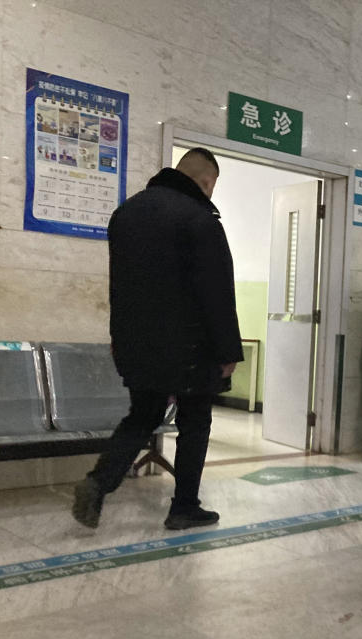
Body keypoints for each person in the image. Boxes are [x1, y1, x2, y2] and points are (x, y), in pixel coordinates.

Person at [71, 147, 243, 531]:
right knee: (195, 421)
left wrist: (120, 340)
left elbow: (119, 288)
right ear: (205, 180)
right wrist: (228, 351)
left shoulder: (126, 213)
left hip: (138, 344)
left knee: (142, 416)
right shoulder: (199, 218)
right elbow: (216, 292)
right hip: (192, 347)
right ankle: (183, 507)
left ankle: (99, 482)